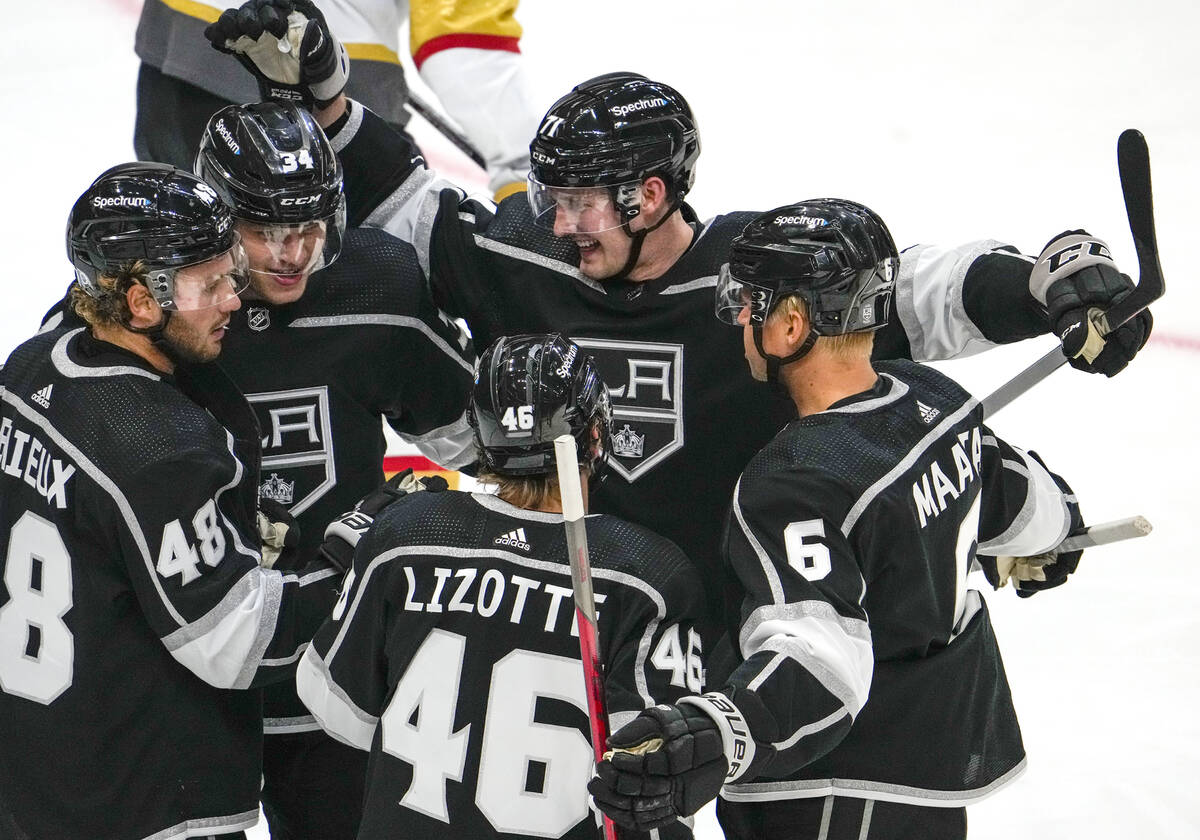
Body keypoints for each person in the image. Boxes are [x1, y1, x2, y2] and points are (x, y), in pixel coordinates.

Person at [208, 6, 1151, 638]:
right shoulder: (534, 256)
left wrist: (1045, 285)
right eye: (552, 198)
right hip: (580, 629)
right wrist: (329, 101)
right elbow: (418, 209)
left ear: (651, 195)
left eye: (579, 202)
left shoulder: (757, 272)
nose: (557, 222)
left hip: (743, 626)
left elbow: (916, 293)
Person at [586, 199, 1098, 840]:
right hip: (926, 777)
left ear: (791, 324)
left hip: (832, 791)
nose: (739, 317)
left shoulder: (794, 482)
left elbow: (820, 658)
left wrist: (721, 730)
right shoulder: (932, 397)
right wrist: (1058, 528)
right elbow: (1013, 490)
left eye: (750, 303)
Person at [0, 163, 345, 839]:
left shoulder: (28, 367)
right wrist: (355, 562)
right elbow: (236, 641)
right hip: (146, 803)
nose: (232, 300)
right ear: (139, 301)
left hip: (37, 775)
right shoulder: (161, 447)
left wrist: (217, 530)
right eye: (208, 285)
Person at [296, 333, 708, 839]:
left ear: (481, 437)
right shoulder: (648, 575)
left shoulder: (406, 532)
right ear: (597, 434)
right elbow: (657, 772)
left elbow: (335, 706)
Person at [197, 100, 476, 839]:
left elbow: (471, 440)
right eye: (265, 232)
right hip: (194, 676)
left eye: (308, 230)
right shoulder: (166, 305)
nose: (291, 254)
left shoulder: (376, 287)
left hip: (335, 669)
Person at [135, 0, 540, 198]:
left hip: (183, 58)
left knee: (191, 280)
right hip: (335, 100)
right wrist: (526, 175)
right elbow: (462, 34)